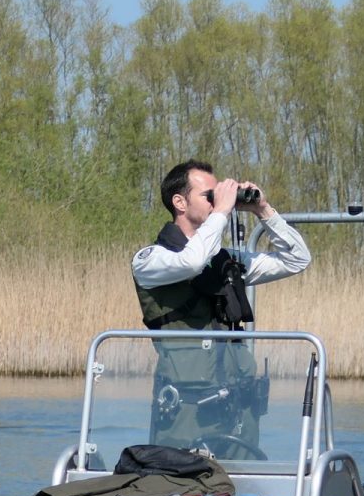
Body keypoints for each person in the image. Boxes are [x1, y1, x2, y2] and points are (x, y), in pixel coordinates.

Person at [130, 161, 311, 455]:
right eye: (209, 196)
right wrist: (222, 212)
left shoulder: (224, 262)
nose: (217, 202)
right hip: (186, 411)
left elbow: (297, 260)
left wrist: (263, 210)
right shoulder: (150, 259)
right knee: (183, 491)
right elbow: (190, 262)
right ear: (179, 202)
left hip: (237, 409)